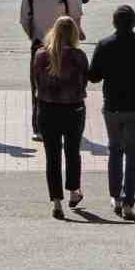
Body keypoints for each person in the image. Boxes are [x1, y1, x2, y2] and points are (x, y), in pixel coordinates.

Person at [88, 5, 135, 221]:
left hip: (113, 107)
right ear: (134, 22)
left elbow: (93, 76)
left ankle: (115, 195)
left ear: (114, 23)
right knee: (134, 153)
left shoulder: (105, 45)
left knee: (115, 150)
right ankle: (129, 200)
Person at [33, 16, 90, 219]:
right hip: (73, 109)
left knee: (52, 156)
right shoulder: (78, 56)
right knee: (73, 151)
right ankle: (74, 191)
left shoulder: (40, 55)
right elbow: (85, 81)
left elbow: (37, 82)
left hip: (47, 109)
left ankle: (57, 202)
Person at [20, 0, 83, 141]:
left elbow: (75, 17)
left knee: (65, 84)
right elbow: (25, 20)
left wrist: (75, 36)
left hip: (65, 47)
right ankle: (38, 127)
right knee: (38, 87)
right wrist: (34, 38)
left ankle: (64, 123)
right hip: (40, 46)